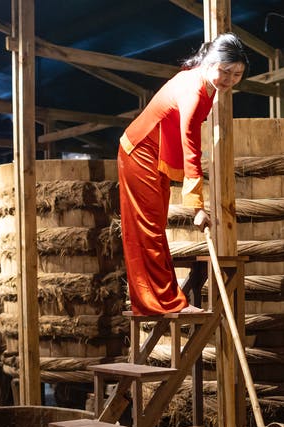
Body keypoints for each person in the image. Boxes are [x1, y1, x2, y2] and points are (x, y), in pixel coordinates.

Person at [118, 33, 248, 315]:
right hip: (140, 152)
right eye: (225, 71)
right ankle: (161, 303)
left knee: (154, 227)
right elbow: (191, 147)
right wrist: (196, 208)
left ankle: (157, 299)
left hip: (155, 153)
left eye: (237, 74)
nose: (229, 80)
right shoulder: (193, 89)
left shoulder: (206, 84)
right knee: (148, 230)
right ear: (209, 62)